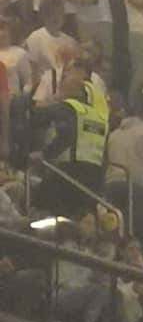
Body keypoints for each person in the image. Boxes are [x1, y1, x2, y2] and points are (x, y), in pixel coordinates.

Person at [29, 64, 109, 216]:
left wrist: (44, 154)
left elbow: (65, 135)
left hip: (70, 171)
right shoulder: (99, 117)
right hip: (94, 177)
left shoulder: (69, 107)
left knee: (39, 202)